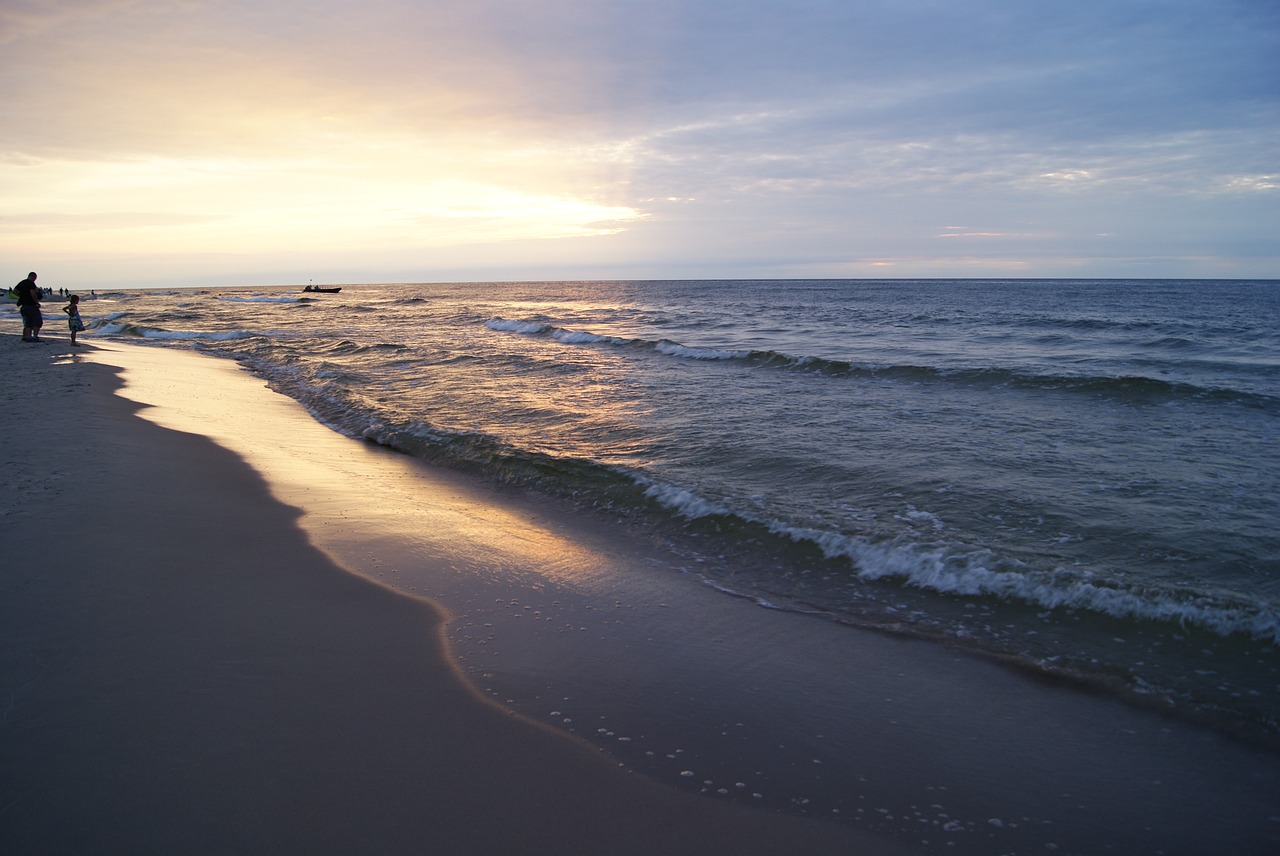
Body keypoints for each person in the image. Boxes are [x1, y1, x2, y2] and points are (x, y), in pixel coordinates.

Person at [15, 272, 43, 342]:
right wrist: (37, 302)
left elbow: (14, 291)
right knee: (37, 321)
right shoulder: (31, 283)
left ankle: (28, 337)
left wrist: (21, 296)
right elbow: (33, 293)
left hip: (24, 305)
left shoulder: (22, 282)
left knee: (27, 322)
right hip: (31, 305)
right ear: (33, 277)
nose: (35, 280)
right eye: (35, 278)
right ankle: (35, 336)